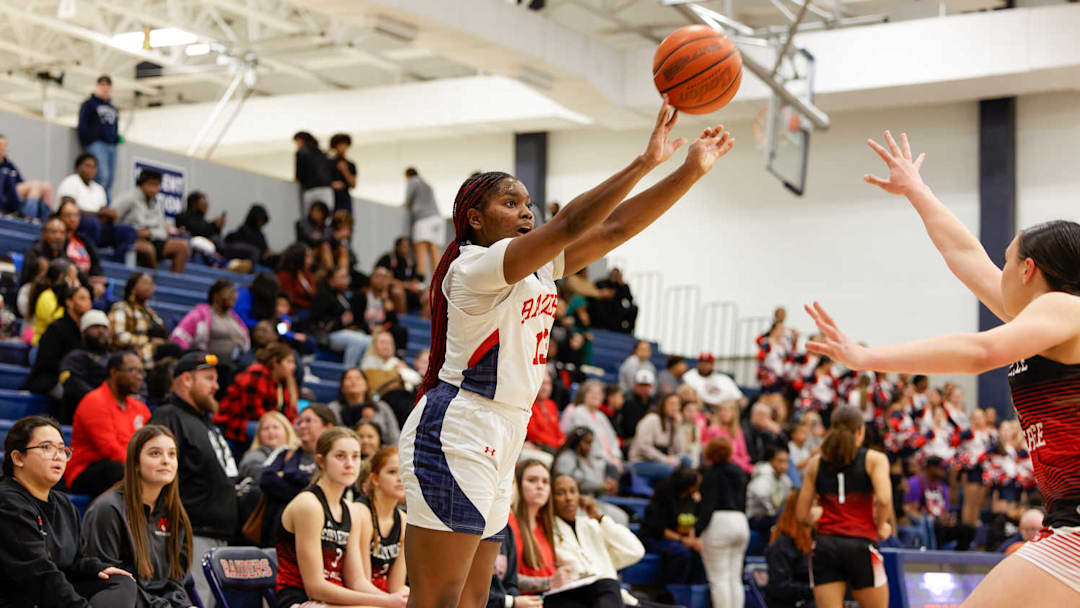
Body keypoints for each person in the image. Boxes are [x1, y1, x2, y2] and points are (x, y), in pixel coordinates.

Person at [397, 99, 732, 608]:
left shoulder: (536, 267)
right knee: (438, 601)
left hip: (505, 430)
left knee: (472, 601)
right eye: (510, 203)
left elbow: (615, 229)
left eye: (528, 203)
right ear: (475, 220)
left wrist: (689, 172)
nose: (526, 211)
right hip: (458, 428)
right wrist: (644, 163)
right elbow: (573, 222)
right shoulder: (473, 266)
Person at [802, 131, 1080, 606]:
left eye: (1008, 259)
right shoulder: (1043, 320)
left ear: (1028, 269)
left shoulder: (1065, 309)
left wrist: (868, 358)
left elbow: (976, 354)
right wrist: (917, 190)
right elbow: (965, 255)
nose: (1000, 267)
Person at [0, 416, 138, 607]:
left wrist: (98, 568)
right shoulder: (8, 502)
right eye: (46, 447)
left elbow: (74, 561)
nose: (58, 456)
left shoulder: (64, 503)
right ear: (18, 457)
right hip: (21, 598)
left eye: (62, 449)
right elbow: (39, 574)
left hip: (52, 594)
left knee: (120, 582)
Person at [273, 427, 407, 608]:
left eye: (356, 456)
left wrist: (395, 602)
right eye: (340, 456)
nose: (350, 464)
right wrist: (386, 601)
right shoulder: (309, 505)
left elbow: (357, 581)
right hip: (301, 600)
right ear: (321, 461)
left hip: (332, 600)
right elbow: (315, 587)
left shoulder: (350, 511)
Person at [147, 351, 238, 606]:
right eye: (209, 378)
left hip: (216, 534)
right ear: (186, 379)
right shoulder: (169, 416)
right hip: (188, 534)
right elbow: (154, 476)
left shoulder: (204, 422)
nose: (216, 386)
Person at [81, 425, 195, 608]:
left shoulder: (176, 515)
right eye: (155, 453)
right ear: (135, 463)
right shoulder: (108, 509)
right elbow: (112, 584)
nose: (166, 461)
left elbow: (175, 580)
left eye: (172, 454)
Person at [795, 405, 893, 608]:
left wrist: (818, 514)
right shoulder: (874, 459)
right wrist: (880, 524)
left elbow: (801, 514)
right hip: (861, 544)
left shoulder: (816, 463)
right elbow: (884, 499)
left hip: (826, 546)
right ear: (860, 431)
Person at [551, 474, 646, 607]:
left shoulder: (592, 525)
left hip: (615, 598)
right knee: (608, 585)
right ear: (551, 499)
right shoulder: (550, 531)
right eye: (560, 493)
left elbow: (636, 551)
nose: (569, 498)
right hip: (585, 599)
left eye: (573, 491)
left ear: (580, 496)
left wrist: (599, 517)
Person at [66, 351, 151, 498]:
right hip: (87, 471)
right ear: (114, 372)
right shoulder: (94, 401)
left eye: (141, 371)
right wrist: (143, 469)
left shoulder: (140, 408)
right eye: (133, 370)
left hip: (129, 467)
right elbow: (109, 449)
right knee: (115, 470)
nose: (139, 377)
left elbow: (151, 442)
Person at [258, 404, 338, 546]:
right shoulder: (285, 453)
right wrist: (303, 483)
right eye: (299, 422)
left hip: (318, 534)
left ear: (328, 427)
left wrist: (286, 475)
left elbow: (323, 490)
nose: (302, 425)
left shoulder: (336, 457)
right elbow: (266, 480)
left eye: (308, 421)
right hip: (276, 534)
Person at [696, 437, 751, 608]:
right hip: (741, 522)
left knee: (719, 579)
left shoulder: (711, 474)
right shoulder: (740, 472)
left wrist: (697, 531)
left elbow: (708, 506)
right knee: (735, 578)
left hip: (719, 523)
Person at [56, 153, 134, 261]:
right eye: (87, 166)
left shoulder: (99, 189)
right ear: (78, 167)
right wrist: (99, 214)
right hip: (78, 225)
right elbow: (68, 211)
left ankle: (117, 263)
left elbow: (104, 215)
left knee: (127, 231)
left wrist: (110, 215)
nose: (91, 170)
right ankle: (89, 259)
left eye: (94, 167)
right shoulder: (71, 181)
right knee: (91, 222)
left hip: (96, 227)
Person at [215, 343, 298, 443]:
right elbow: (252, 411)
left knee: (299, 428)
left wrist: (290, 425)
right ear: (275, 362)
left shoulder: (285, 382)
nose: (293, 367)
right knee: (275, 432)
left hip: (269, 421)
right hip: (238, 422)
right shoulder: (257, 373)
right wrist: (281, 424)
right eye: (289, 362)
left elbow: (291, 413)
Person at [639, 467, 706, 587]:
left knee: (698, 552)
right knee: (680, 552)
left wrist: (692, 539)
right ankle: (670, 591)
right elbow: (657, 528)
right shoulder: (662, 497)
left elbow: (691, 520)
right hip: (655, 538)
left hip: (680, 538)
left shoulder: (690, 498)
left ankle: (693, 594)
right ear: (688, 485)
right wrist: (682, 540)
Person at [112, 170, 190, 273]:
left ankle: (175, 282)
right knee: (148, 249)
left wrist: (149, 233)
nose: (153, 189)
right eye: (150, 184)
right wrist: (132, 232)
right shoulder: (128, 198)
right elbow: (112, 218)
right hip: (130, 239)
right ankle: (152, 282)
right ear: (141, 183)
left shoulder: (156, 204)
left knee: (182, 247)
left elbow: (162, 231)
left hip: (153, 239)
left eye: (156, 185)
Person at [25, 283, 92, 398]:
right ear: (69, 302)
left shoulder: (88, 330)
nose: (88, 303)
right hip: (52, 379)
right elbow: (47, 362)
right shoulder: (56, 328)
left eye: (89, 298)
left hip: (78, 379)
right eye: (82, 298)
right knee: (75, 394)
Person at [362, 446, 408, 593]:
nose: (400, 478)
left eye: (404, 472)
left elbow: (396, 586)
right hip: (355, 593)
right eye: (392, 472)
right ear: (375, 479)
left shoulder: (403, 520)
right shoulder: (361, 513)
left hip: (381, 595)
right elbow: (359, 583)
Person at [170, 279, 250, 362]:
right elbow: (179, 337)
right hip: (209, 362)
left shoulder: (236, 319)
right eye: (230, 292)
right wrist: (189, 359)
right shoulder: (199, 316)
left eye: (234, 293)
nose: (233, 296)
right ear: (215, 295)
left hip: (235, 363)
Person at [764, 489, 817, 608]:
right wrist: (816, 591)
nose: (819, 511)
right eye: (814, 505)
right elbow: (779, 587)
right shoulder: (782, 544)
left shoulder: (819, 540)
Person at [312, 266, 373, 369]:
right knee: (357, 340)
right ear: (331, 280)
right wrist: (340, 321)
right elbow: (317, 320)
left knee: (370, 340)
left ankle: (362, 369)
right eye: (342, 277)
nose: (346, 280)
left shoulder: (344, 296)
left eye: (346, 276)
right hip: (329, 335)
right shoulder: (323, 296)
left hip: (345, 332)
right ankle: (349, 369)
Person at [58, 309, 112, 424]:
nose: (101, 331)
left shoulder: (113, 359)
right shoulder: (75, 357)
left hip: (111, 411)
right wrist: (99, 399)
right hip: (83, 411)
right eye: (96, 327)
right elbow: (71, 382)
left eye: (104, 327)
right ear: (84, 332)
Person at [561, 379, 623, 477]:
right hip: (591, 460)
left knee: (629, 469)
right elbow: (585, 442)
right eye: (592, 392)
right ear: (584, 394)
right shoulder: (578, 412)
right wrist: (609, 459)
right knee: (613, 470)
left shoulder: (601, 416)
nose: (596, 396)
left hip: (610, 459)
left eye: (599, 393)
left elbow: (613, 439)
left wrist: (615, 456)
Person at [109, 272, 168, 368]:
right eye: (145, 283)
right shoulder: (122, 307)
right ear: (133, 286)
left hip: (158, 355)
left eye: (152, 284)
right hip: (137, 356)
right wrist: (147, 340)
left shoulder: (151, 313)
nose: (149, 287)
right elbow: (118, 337)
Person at [328, 368, 400, 446]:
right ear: (342, 386)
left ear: (366, 385)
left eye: (358, 378)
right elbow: (332, 437)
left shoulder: (381, 407)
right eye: (348, 378)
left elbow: (394, 438)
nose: (353, 381)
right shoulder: (333, 408)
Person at [629, 392, 690, 482]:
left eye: (677, 405)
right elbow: (643, 447)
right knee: (674, 472)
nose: (675, 408)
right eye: (672, 404)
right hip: (642, 461)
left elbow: (680, 450)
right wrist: (664, 459)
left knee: (687, 460)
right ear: (663, 405)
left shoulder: (672, 423)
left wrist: (678, 427)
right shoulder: (651, 419)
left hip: (662, 460)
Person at [55, 199, 108, 299]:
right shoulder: (58, 240)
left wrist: (98, 281)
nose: (73, 219)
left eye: (76, 215)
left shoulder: (84, 240)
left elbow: (96, 264)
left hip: (89, 286)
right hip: (70, 286)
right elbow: (65, 262)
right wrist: (89, 282)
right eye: (68, 215)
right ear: (60, 217)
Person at [78, 76, 119, 201]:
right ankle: (97, 204)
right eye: (102, 85)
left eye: (107, 85)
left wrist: (115, 139)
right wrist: (90, 140)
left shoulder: (113, 108)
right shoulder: (89, 104)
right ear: (97, 86)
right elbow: (83, 124)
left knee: (110, 179)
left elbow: (115, 126)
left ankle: (106, 206)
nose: (105, 88)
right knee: (102, 176)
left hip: (111, 146)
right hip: (97, 144)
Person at [0, 134, 54, 219]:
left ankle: (48, 220)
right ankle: (28, 218)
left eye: (4, 145)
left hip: (13, 193)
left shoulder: (9, 164)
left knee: (46, 186)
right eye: (0, 145)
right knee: (35, 185)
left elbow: (21, 182)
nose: (2, 148)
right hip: (4, 193)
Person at [403, 167, 442, 283]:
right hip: (437, 218)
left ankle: (420, 280)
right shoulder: (427, 184)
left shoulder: (412, 182)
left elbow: (408, 200)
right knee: (435, 251)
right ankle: (438, 281)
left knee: (421, 249)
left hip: (423, 218)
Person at [239, 411, 299, 484]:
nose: (270, 431)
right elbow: (261, 476)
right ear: (259, 435)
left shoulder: (299, 452)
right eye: (266, 428)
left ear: (287, 430)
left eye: (275, 427)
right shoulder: (254, 455)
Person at [746, 445, 793, 534]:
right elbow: (760, 494)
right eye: (780, 461)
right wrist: (772, 512)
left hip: (772, 517)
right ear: (770, 461)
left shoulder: (785, 479)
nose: (784, 465)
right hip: (757, 518)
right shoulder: (763, 475)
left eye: (786, 461)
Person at [702, 400, 753, 474]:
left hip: (738, 467)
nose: (723, 413)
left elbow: (743, 453)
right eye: (721, 410)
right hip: (721, 467)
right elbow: (727, 456)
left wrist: (747, 465)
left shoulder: (737, 430)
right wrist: (746, 467)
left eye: (727, 410)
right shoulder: (714, 430)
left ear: (734, 413)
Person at [376, 236, 424, 313]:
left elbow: (417, 277)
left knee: (428, 295)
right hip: (390, 291)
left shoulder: (411, 260)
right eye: (404, 246)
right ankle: (403, 321)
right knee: (398, 292)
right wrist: (405, 285)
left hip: (409, 290)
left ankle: (423, 323)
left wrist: (416, 283)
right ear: (397, 247)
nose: (406, 248)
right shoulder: (387, 259)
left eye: (408, 246)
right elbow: (382, 279)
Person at [293, 131, 334, 213]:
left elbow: (299, 173)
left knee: (309, 216)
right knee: (327, 215)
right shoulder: (322, 153)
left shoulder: (301, 152)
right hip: (326, 188)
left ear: (301, 140)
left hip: (310, 189)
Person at [526, 372, 565, 454]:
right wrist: (557, 443)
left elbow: (557, 430)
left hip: (554, 447)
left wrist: (563, 441)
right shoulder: (528, 405)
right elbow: (533, 434)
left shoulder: (551, 405)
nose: (545, 388)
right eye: (542, 383)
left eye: (548, 384)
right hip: (538, 447)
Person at [295, 201, 337, 271]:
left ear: (324, 214)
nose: (315, 213)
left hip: (322, 251)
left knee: (342, 250)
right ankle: (332, 274)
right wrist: (329, 237)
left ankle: (342, 275)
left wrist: (322, 237)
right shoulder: (303, 223)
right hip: (306, 251)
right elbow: (312, 240)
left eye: (319, 211)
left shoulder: (326, 226)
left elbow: (333, 240)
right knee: (325, 246)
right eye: (314, 210)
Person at [277, 243, 318, 314]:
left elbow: (314, 293)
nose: (310, 261)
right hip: (295, 312)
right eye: (307, 257)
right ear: (298, 258)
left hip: (308, 310)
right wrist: (310, 305)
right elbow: (290, 299)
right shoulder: (284, 276)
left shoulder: (306, 274)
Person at [617, 368, 655, 441]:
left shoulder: (654, 402)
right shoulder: (628, 402)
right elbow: (629, 428)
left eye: (646, 385)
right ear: (635, 386)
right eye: (641, 385)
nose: (644, 388)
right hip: (632, 439)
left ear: (651, 387)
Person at [328, 133, 357, 213]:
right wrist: (332, 184)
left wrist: (345, 171)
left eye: (344, 145)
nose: (342, 148)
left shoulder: (350, 164)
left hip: (345, 198)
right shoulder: (328, 162)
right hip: (331, 196)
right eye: (340, 145)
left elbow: (353, 184)